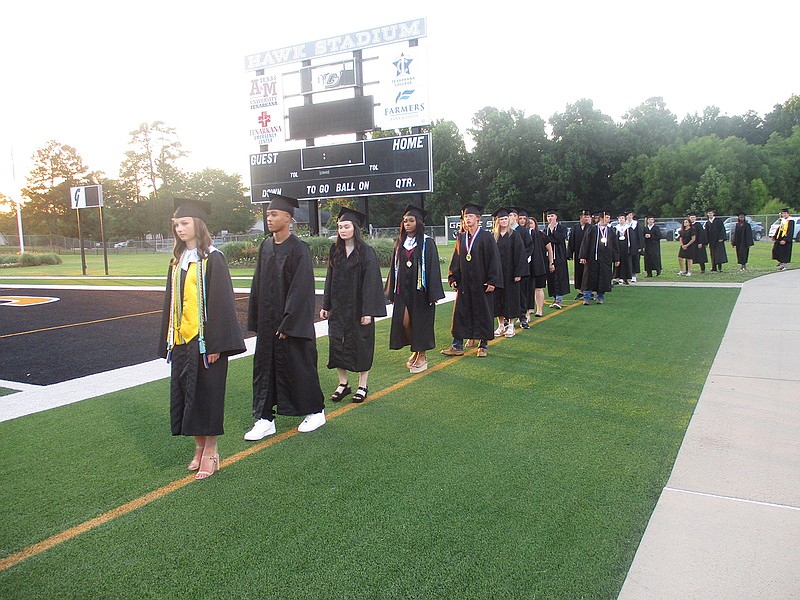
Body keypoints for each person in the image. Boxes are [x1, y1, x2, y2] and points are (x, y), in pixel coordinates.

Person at [158, 198, 246, 480]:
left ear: (198, 224)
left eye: (184, 223)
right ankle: (197, 448)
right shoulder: (178, 260)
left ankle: (211, 452)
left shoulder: (212, 258)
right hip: (183, 341)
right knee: (187, 395)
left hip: (206, 342)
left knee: (207, 397)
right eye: (176, 224)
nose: (179, 229)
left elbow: (222, 304)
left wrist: (217, 345)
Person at [246, 193, 326, 440]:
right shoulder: (265, 246)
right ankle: (265, 418)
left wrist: (289, 321)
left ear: (288, 218)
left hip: (291, 324)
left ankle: (316, 411)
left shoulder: (298, 249)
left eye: (274, 214)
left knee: (299, 367)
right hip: (268, 322)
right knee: (264, 369)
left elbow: (302, 288)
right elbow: (257, 283)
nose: (269, 218)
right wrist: (257, 318)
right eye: (268, 214)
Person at [321, 208, 386, 403]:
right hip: (339, 308)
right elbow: (330, 278)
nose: (342, 230)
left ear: (355, 228)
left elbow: (371, 283)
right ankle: (343, 384)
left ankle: (362, 385)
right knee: (337, 344)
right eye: (340, 227)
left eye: (346, 226)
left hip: (359, 309)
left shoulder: (366, 251)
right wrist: (326, 305)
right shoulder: (336, 250)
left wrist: (368, 311)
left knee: (361, 345)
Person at [386, 205, 445, 374]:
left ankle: (422, 355)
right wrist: (391, 292)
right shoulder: (399, 243)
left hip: (421, 291)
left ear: (418, 223)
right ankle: (415, 348)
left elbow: (433, 268)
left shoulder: (427, 243)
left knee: (420, 322)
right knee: (404, 321)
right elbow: (393, 268)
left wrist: (433, 293)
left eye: (411, 221)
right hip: (402, 291)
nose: (407, 224)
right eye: (405, 221)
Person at [441, 203, 502, 358]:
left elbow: (494, 260)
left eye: (470, 216)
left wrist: (492, 281)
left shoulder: (487, 237)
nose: (467, 219)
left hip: (482, 284)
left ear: (478, 218)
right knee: (460, 313)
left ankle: (483, 345)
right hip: (465, 284)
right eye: (465, 217)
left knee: (483, 312)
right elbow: (456, 258)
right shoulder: (461, 238)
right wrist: (453, 277)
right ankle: (457, 345)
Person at [491, 208, 527, 338]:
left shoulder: (514, 235)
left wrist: (519, 273)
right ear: (498, 221)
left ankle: (511, 325)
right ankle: (501, 325)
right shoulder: (493, 237)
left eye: (506, 218)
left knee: (511, 298)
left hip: (511, 274)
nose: (504, 221)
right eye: (501, 219)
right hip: (497, 274)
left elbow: (520, 254)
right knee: (498, 299)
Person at [578, 210, 619, 305]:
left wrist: (616, 258)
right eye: (606, 217)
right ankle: (587, 297)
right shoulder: (592, 229)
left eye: (609, 218)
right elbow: (585, 243)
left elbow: (615, 246)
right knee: (589, 278)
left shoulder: (611, 231)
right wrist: (583, 256)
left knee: (603, 278)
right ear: (601, 218)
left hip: (605, 259)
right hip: (592, 258)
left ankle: (600, 297)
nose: (608, 220)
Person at [512, 207, 534, 328]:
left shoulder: (523, 231)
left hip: (520, 268)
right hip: (507, 268)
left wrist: (520, 262)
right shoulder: (503, 231)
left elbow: (529, 247)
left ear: (515, 217)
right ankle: (507, 318)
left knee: (521, 294)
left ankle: (522, 317)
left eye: (511, 216)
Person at [544, 208, 570, 309]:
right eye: (548, 216)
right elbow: (546, 241)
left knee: (559, 277)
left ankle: (559, 299)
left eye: (552, 216)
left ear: (556, 217)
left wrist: (552, 230)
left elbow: (559, 239)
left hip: (559, 256)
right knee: (551, 278)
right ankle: (554, 298)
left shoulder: (562, 228)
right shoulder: (545, 229)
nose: (550, 218)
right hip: (548, 257)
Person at [527, 215, 552, 317]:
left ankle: (539, 310)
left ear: (535, 225)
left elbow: (550, 249)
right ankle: (529, 309)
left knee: (539, 288)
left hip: (539, 265)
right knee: (528, 289)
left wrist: (551, 262)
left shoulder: (541, 235)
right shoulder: (523, 235)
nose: (530, 225)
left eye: (531, 223)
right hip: (528, 266)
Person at [567, 210, 591, 299]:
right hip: (578, 253)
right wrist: (569, 253)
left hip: (588, 254)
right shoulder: (575, 228)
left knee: (588, 273)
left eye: (588, 217)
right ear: (581, 217)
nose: (587, 218)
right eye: (585, 216)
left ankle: (588, 290)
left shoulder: (591, 228)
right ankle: (580, 290)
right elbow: (571, 241)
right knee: (579, 271)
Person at [613, 212, 633, 285]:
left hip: (625, 248)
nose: (621, 220)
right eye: (620, 218)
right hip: (617, 248)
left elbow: (632, 239)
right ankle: (616, 278)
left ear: (625, 220)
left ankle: (625, 278)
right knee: (617, 262)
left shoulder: (628, 228)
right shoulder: (615, 228)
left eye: (622, 218)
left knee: (626, 263)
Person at [626, 210, 645, 282]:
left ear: (632, 216)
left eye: (630, 215)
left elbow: (640, 236)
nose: (629, 217)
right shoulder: (624, 224)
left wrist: (640, 246)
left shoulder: (636, 224)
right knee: (627, 261)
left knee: (635, 260)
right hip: (626, 246)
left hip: (635, 246)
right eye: (628, 215)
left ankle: (634, 275)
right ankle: (628, 275)